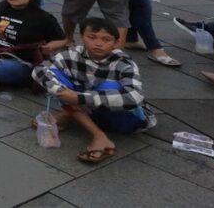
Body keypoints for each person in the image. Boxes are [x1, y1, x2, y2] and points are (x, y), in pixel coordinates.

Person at [33, 17, 156, 164]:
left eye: (106, 39)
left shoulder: (124, 63)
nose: (98, 43)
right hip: (90, 109)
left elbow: (134, 97)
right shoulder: (72, 54)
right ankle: (98, 134)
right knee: (56, 79)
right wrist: (62, 92)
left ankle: (75, 117)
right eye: (92, 37)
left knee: (109, 87)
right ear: (82, 37)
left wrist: (80, 98)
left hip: (125, 119)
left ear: (116, 43)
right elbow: (40, 70)